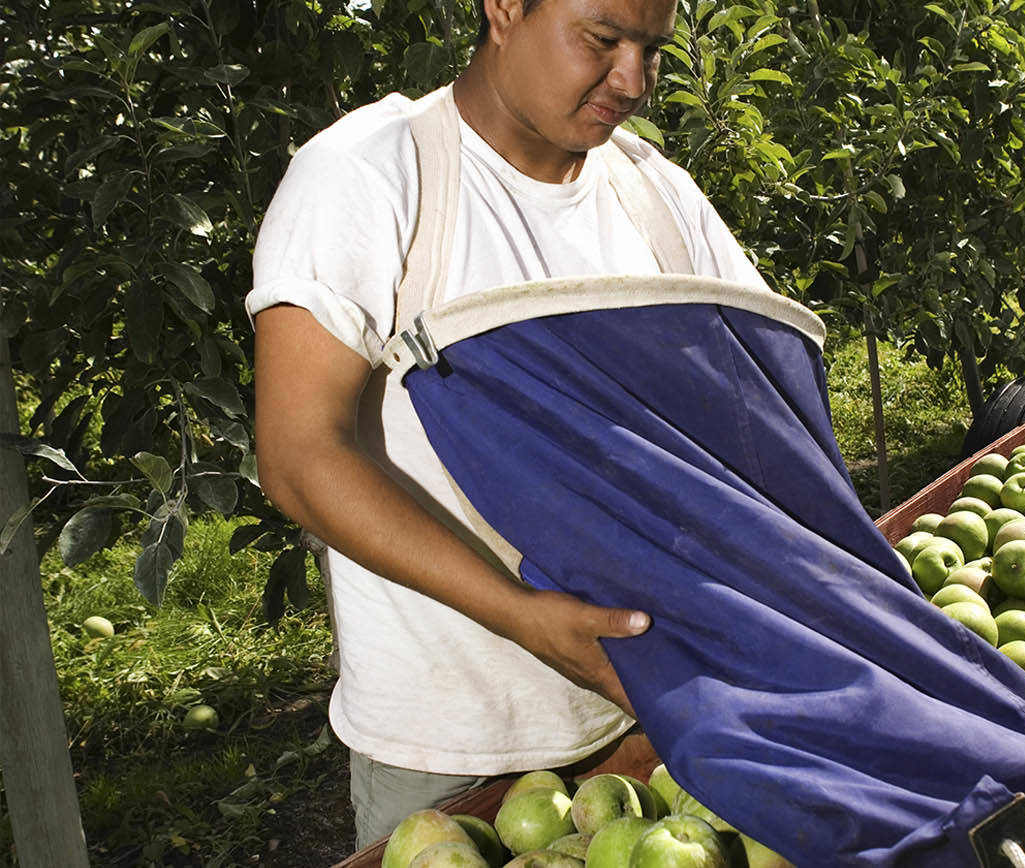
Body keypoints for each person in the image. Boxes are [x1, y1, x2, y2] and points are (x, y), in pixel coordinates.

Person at [248, 0, 772, 847]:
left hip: (655, 712)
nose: (632, 80)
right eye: (602, 40)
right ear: (502, 9)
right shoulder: (374, 177)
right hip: (455, 746)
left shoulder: (658, 199)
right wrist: (520, 614)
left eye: (651, 50)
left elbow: (751, 419)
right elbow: (300, 453)